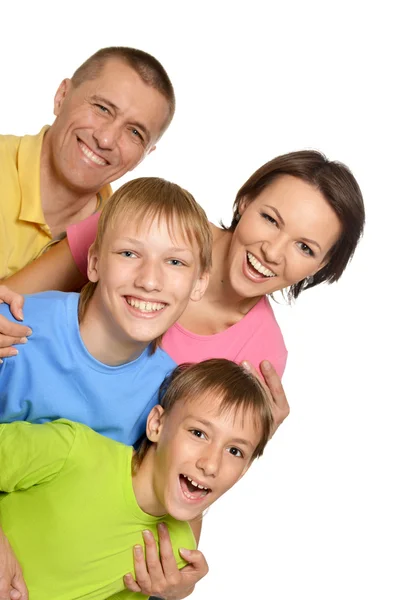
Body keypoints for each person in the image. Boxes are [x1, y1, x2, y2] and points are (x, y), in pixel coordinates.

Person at [0, 176, 211, 600]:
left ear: (199, 284)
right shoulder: (16, 329)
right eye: (130, 253)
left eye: (175, 262)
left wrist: (176, 581)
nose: (150, 280)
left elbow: (168, 498)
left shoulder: (170, 393)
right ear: (94, 262)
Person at [1, 150, 365, 383]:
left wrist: (252, 437)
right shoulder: (151, 221)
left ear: (322, 265)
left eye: (304, 247)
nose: (273, 251)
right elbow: (12, 297)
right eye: (270, 219)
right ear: (245, 201)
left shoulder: (261, 356)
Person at [0, 358, 274, 600]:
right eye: (198, 433)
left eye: (235, 451)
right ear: (157, 425)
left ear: (245, 470)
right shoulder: (72, 451)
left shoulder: (174, 557)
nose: (211, 464)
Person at [0, 45, 175, 280]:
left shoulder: (120, 238)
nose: (105, 139)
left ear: (145, 154)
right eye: (102, 108)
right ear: (62, 96)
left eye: (135, 133)